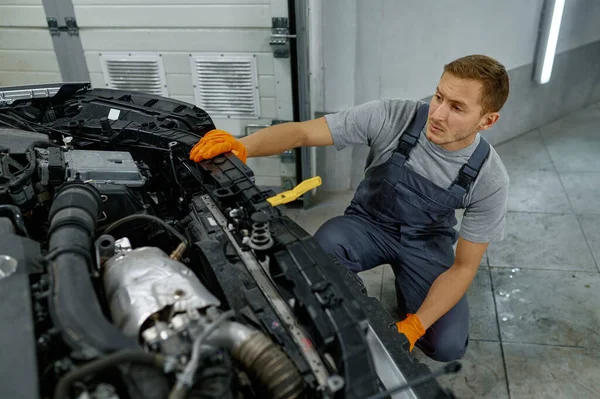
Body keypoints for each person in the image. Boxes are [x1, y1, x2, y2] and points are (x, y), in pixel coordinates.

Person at [189, 54, 510, 362]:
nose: (438, 114)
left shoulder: (489, 178)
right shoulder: (395, 117)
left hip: (425, 242)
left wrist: (417, 325)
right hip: (368, 225)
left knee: (447, 344)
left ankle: (410, 299)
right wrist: (244, 145)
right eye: (439, 97)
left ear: (488, 120)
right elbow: (303, 132)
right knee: (318, 255)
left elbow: (463, 268)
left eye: (456, 107)